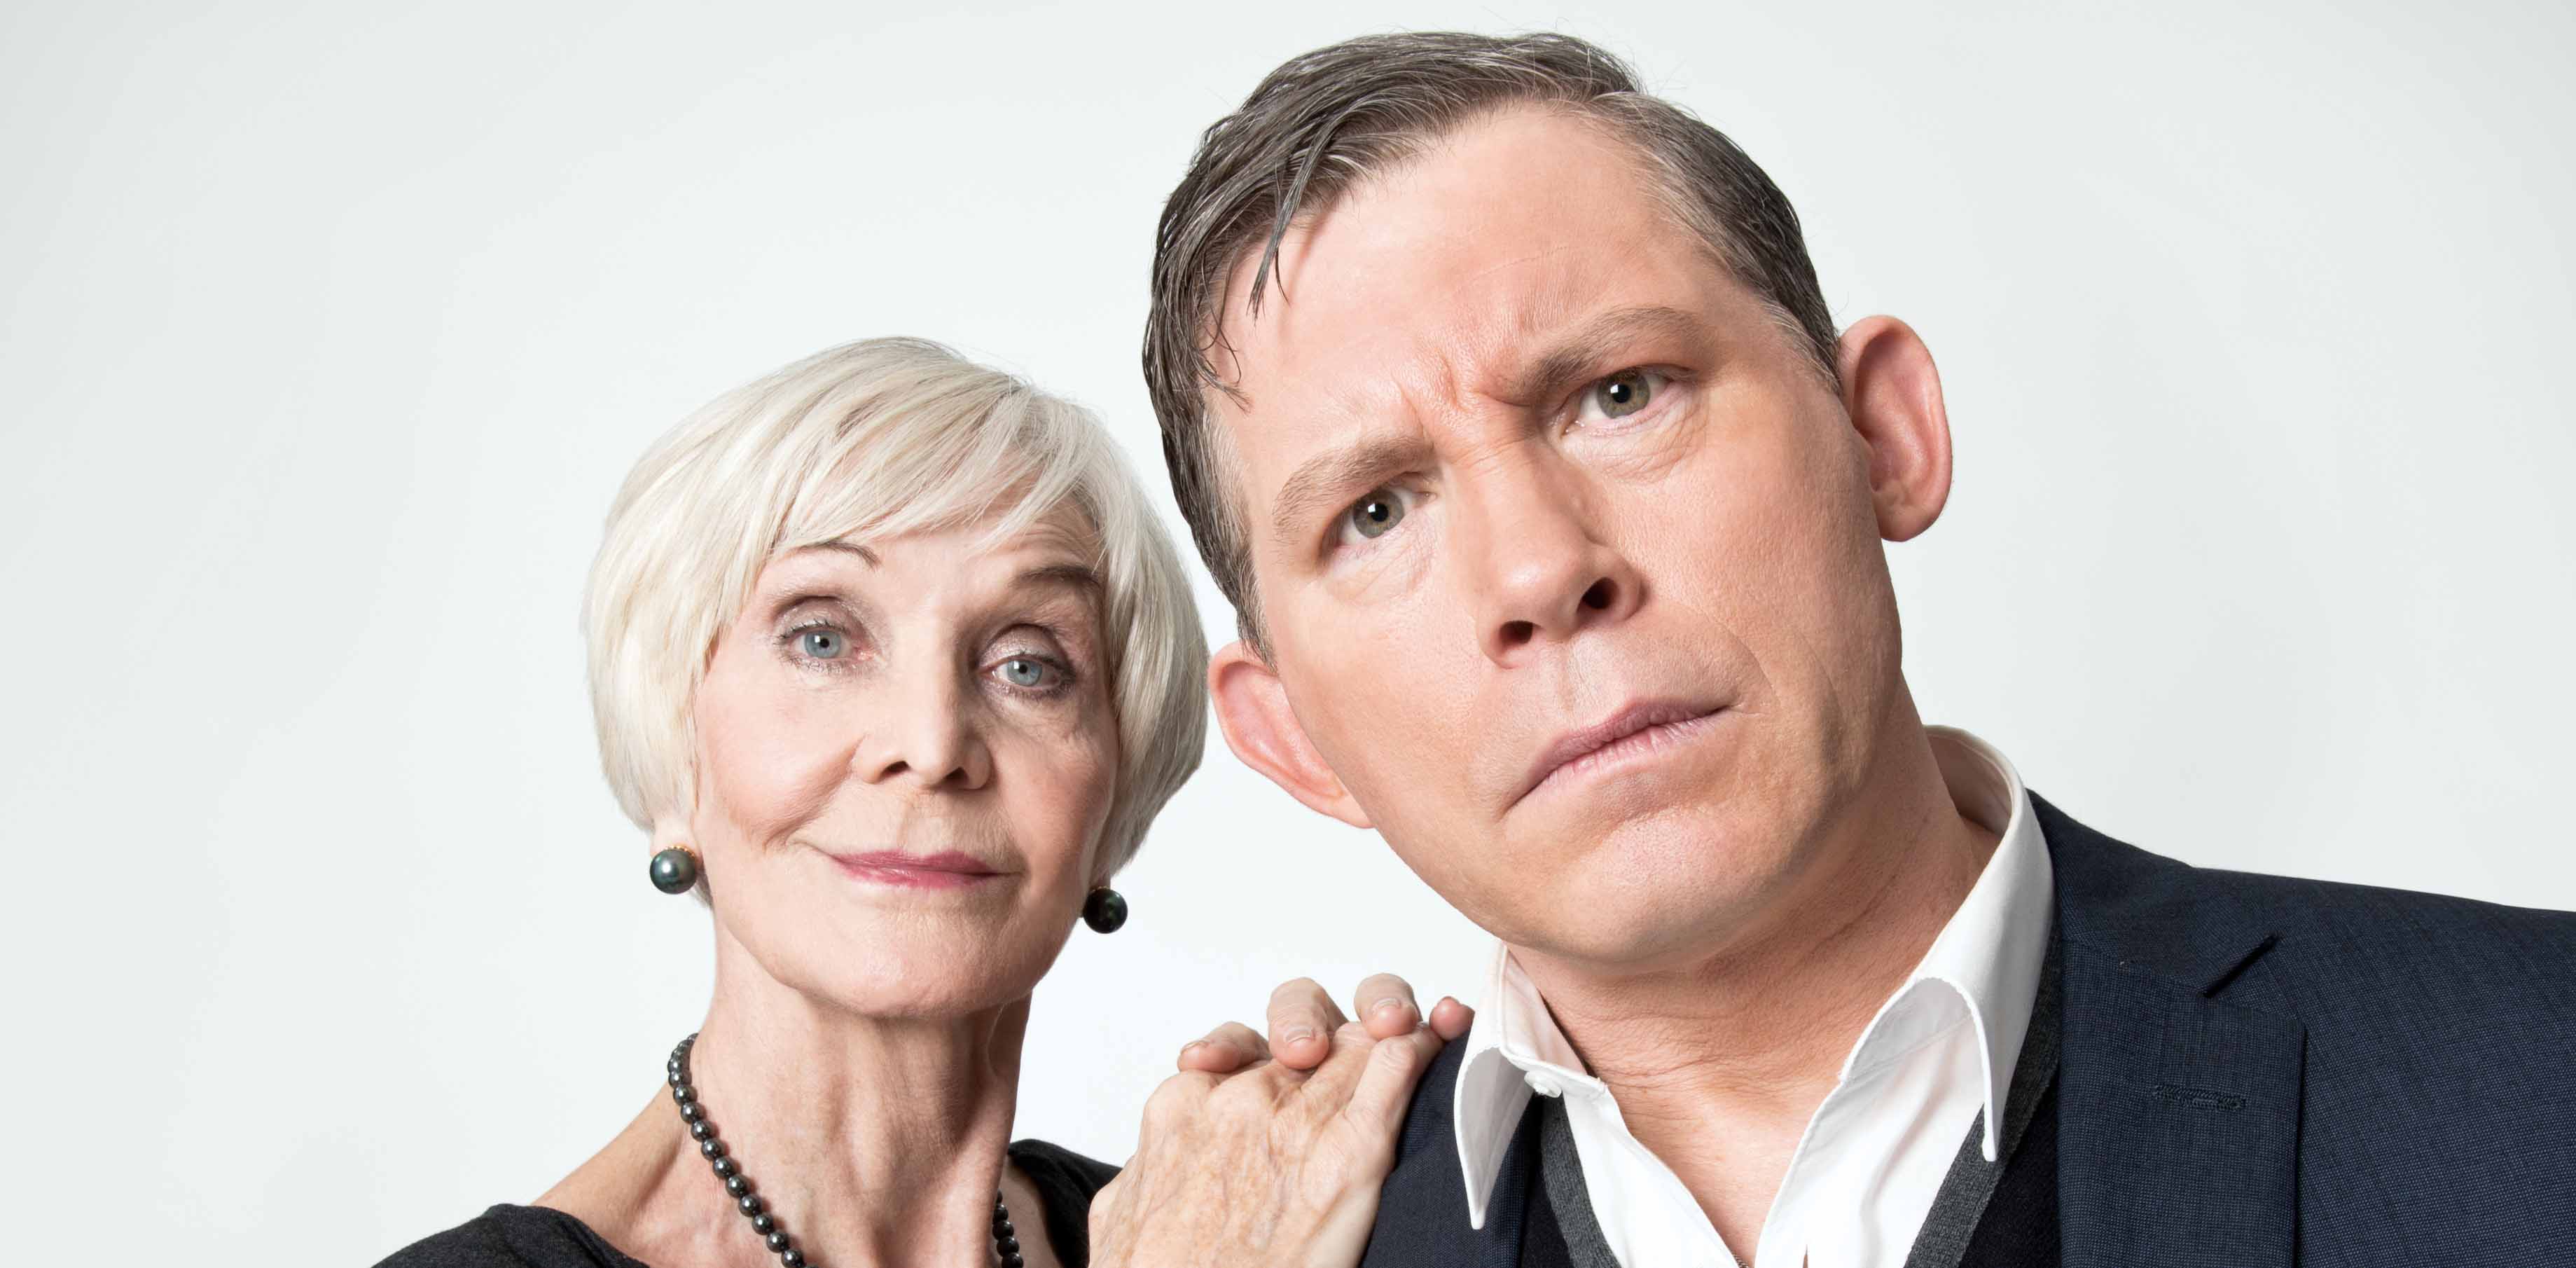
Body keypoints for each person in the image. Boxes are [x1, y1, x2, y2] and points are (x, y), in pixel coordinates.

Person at [1092, 30, 2576, 1268]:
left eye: (1621, 392)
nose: (1542, 569)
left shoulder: (2532, 1073)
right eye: (1375, 510)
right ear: (1291, 737)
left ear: (1885, 434)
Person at [375, 337, 1212, 1268]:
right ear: (673, 739)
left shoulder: (1210, 1233)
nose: (931, 746)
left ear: (1118, 785)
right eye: (822, 640)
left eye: (1027, 665)